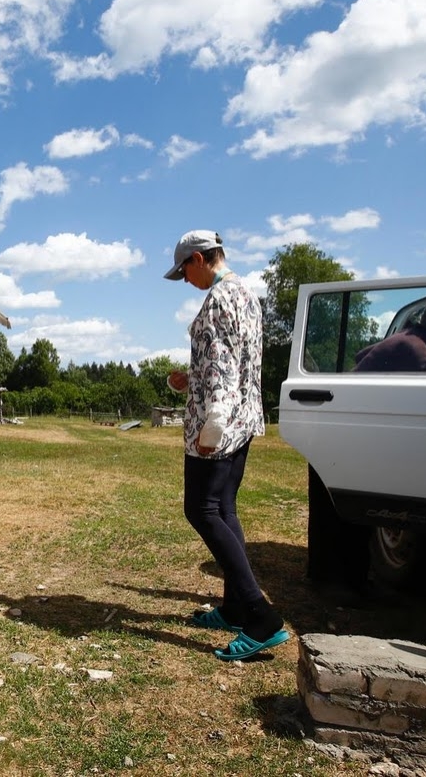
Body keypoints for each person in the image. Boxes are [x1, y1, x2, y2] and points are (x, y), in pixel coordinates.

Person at [163, 230, 289, 662]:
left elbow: (221, 363)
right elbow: (233, 362)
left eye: (184, 272)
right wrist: (190, 378)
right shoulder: (247, 295)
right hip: (244, 418)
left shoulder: (217, 300)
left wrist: (213, 419)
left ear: (199, 259)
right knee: (225, 509)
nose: (185, 280)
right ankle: (235, 605)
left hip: (220, 423)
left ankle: (261, 616)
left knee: (201, 509)